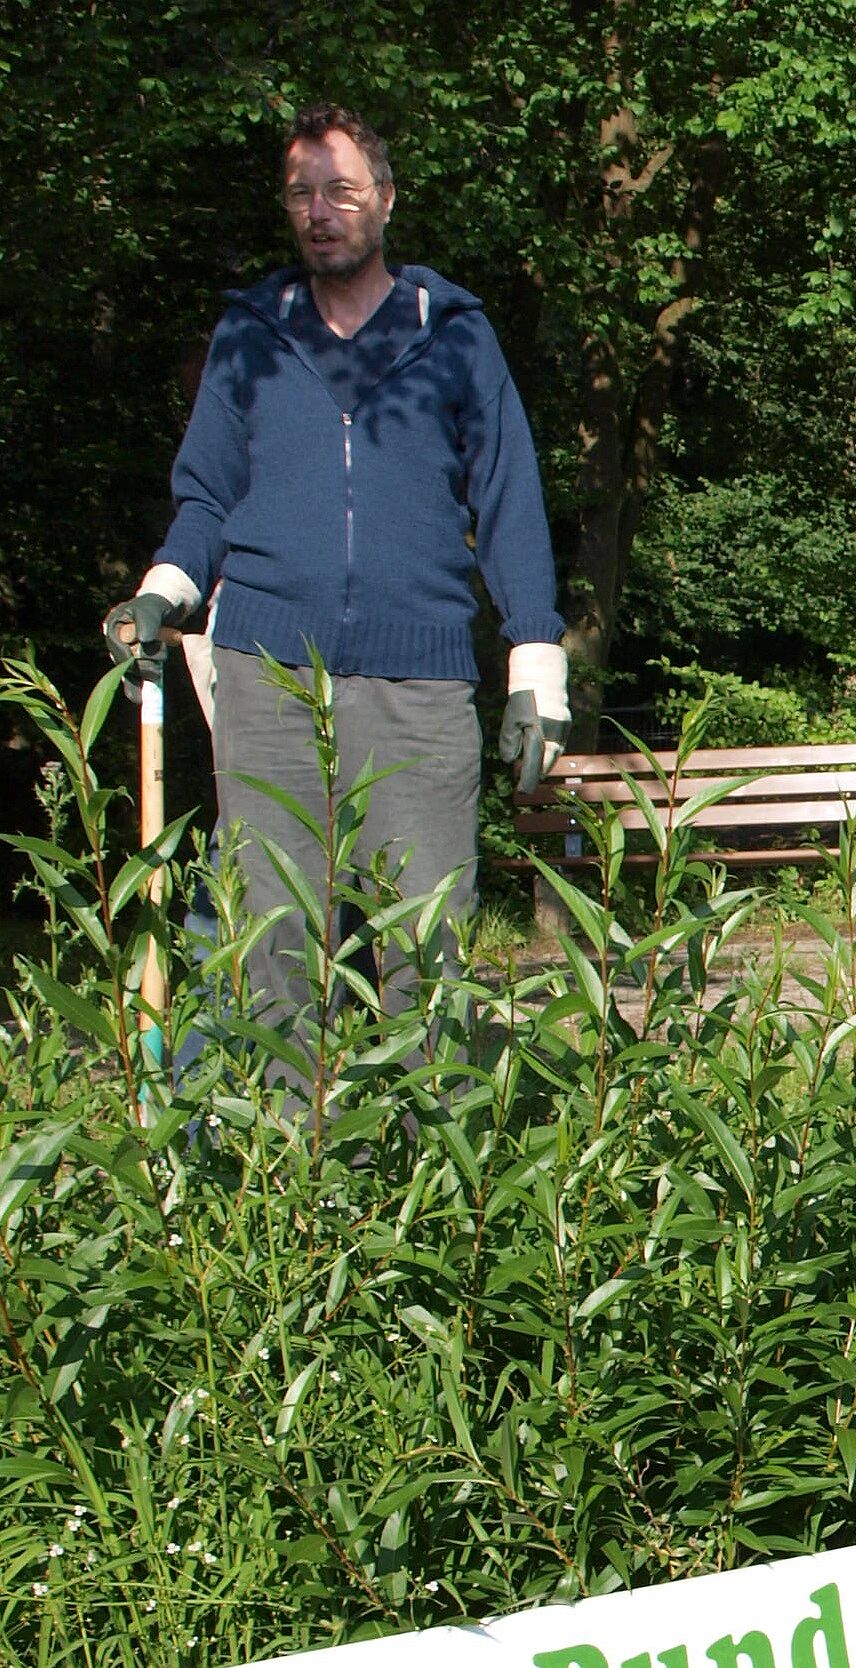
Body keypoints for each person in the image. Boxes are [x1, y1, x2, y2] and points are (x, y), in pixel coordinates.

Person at [102, 101, 568, 1039]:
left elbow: (509, 499)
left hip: (420, 684)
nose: (320, 209)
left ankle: (426, 1179)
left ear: (385, 201)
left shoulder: (457, 335)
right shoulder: (249, 338)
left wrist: (535, 661)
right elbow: (207, 500)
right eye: (301, 193)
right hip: (267, 679)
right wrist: (162, 593)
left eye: (341, 190)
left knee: (425, 951)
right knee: (273, 948)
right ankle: (289, 1176)